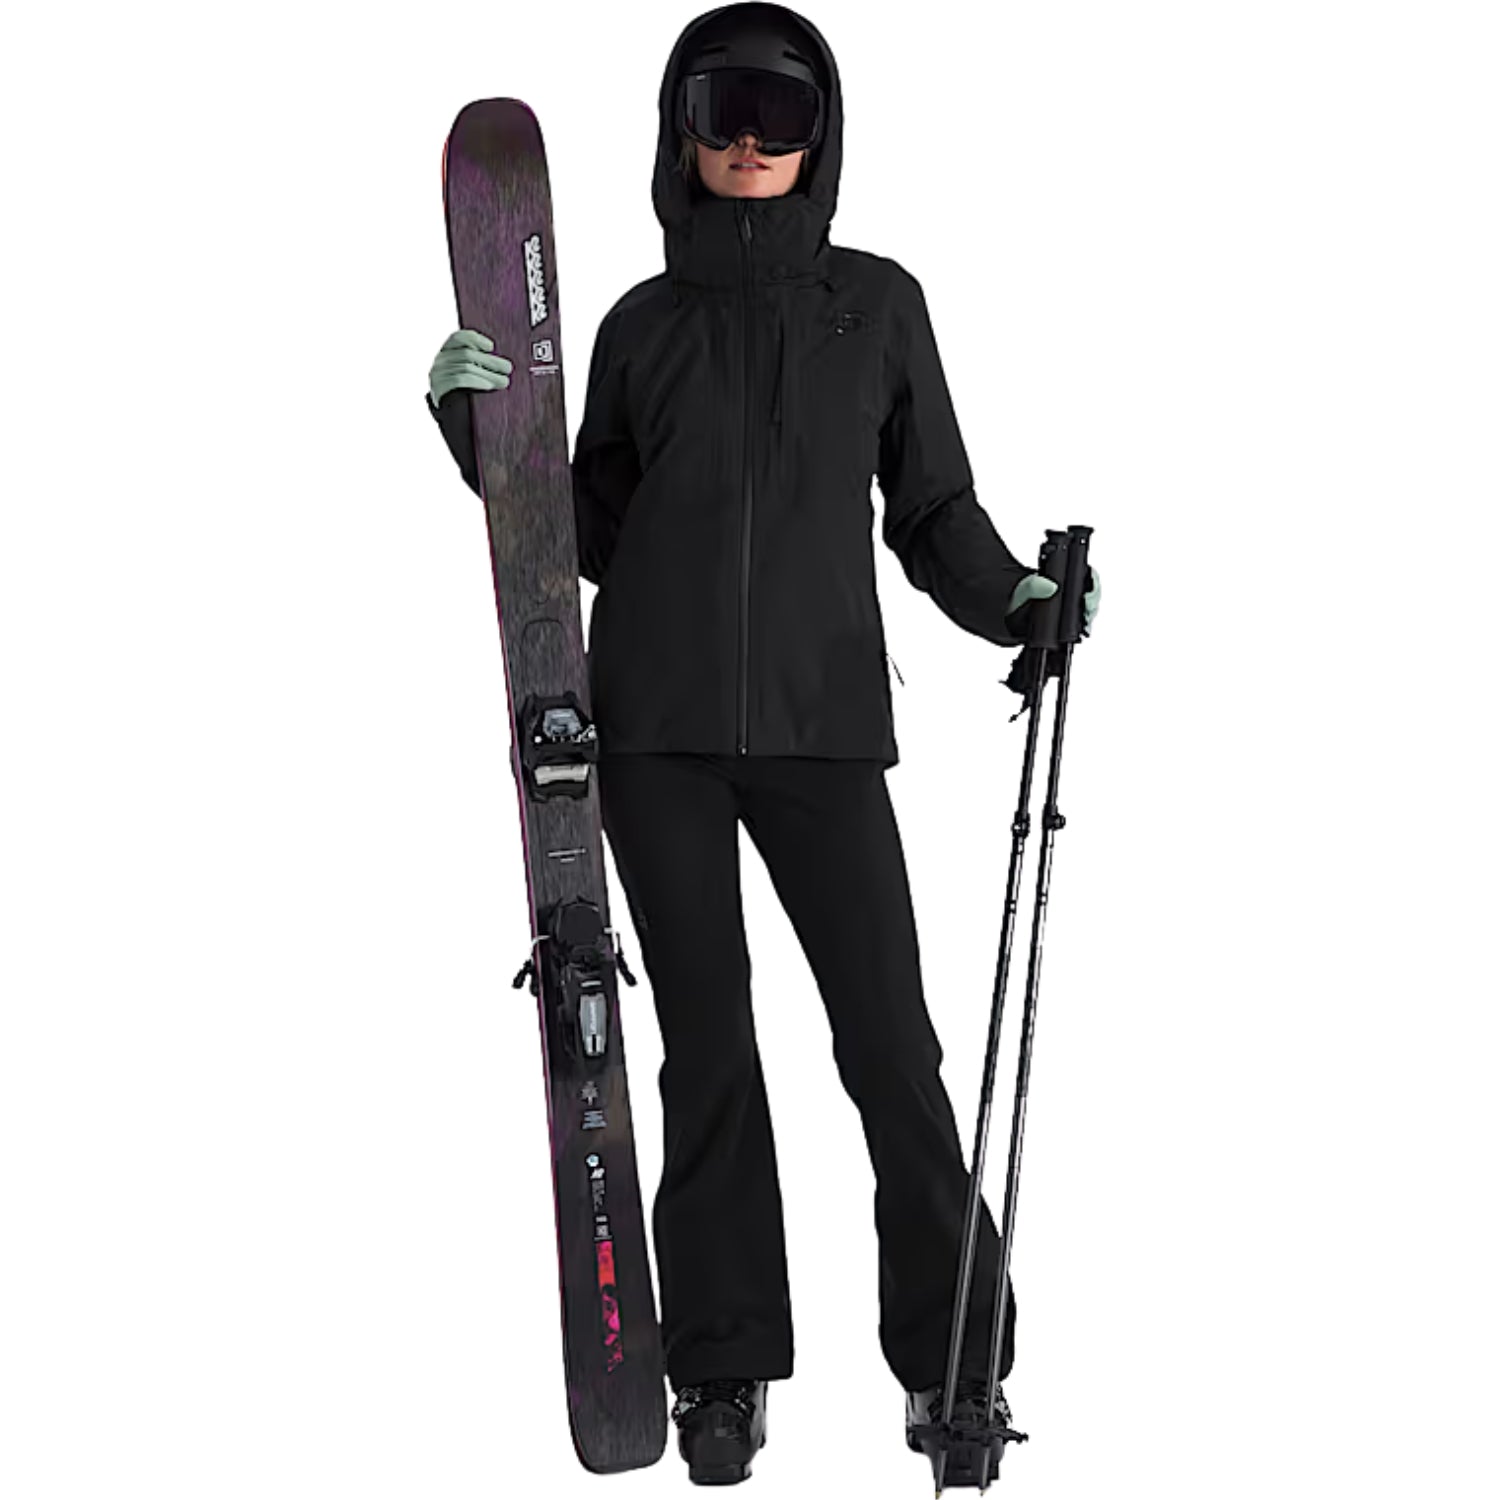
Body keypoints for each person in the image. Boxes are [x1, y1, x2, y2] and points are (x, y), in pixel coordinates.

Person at [427, 2, 1101, 1485]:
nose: (746, 140)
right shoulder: (639, 324)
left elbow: (932, 511)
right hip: (655, 732)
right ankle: (720, 1370)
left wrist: (1017, 601)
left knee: (891, 1049)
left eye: (779, 114)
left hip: (822, 727)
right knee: (708, 1053)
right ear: (679, 130)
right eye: (719, 109)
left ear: (821, 136)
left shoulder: (878, 307)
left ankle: (954, 1366)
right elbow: (582, 531)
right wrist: (481, 434)